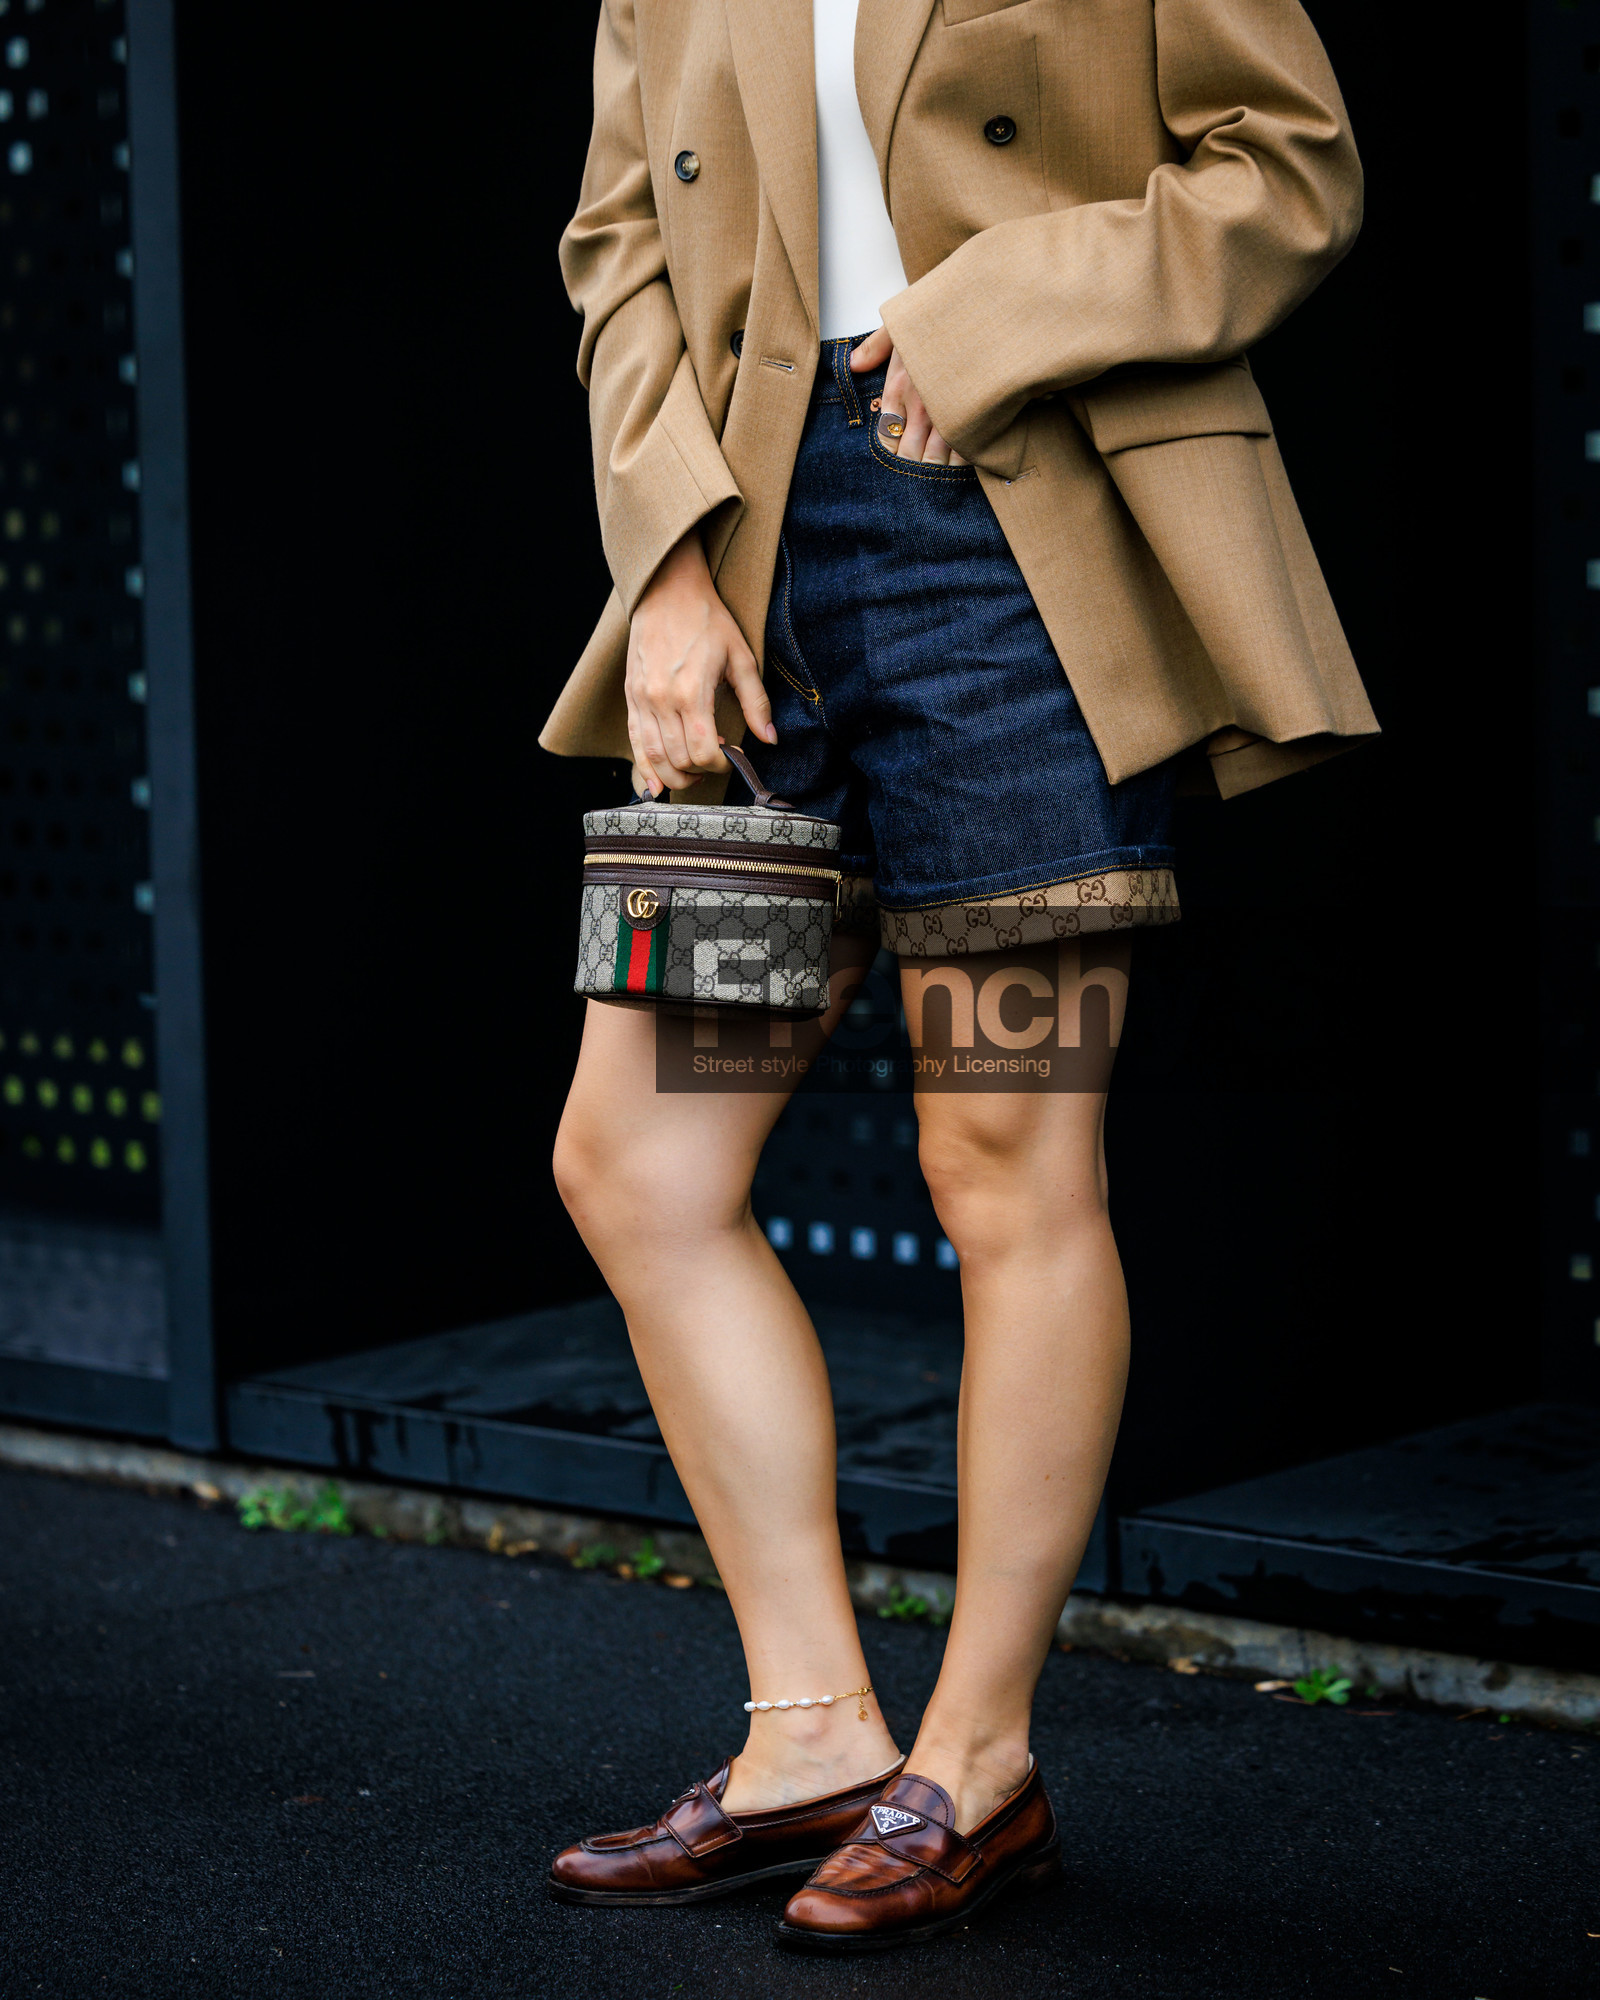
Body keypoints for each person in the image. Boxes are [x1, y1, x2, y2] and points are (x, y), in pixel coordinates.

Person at [544, 0, 1377, 1953]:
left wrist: (987, 313)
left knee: (1001, 1170)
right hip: (744, 564)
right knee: (638, 1162)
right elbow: (617, 244)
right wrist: (665, 561)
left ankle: (975, 1763)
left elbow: (1286, 169)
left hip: (1007, 555)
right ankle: (812, 1734)